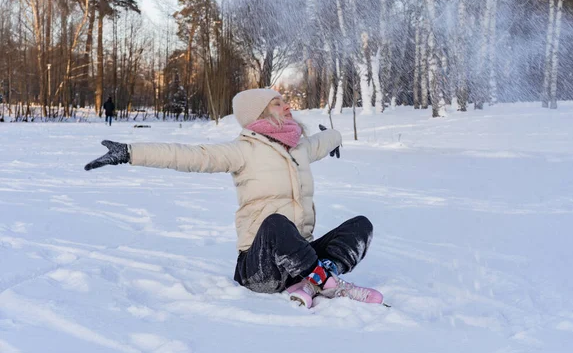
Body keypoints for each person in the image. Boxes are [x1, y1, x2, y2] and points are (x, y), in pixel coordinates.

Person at [84, 88, 383, 308]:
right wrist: (129, 153)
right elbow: (188, 156)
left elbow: (324, 140)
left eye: (283, 101)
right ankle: (328, 283)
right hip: (260, 265)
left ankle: (315, 278)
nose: (286, 105)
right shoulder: (243, 150)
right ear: (261, 114)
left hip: (297, 256)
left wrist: (336, 137)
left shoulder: (299, 147)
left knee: (361, 225)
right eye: (277, 103)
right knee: (276, 223)